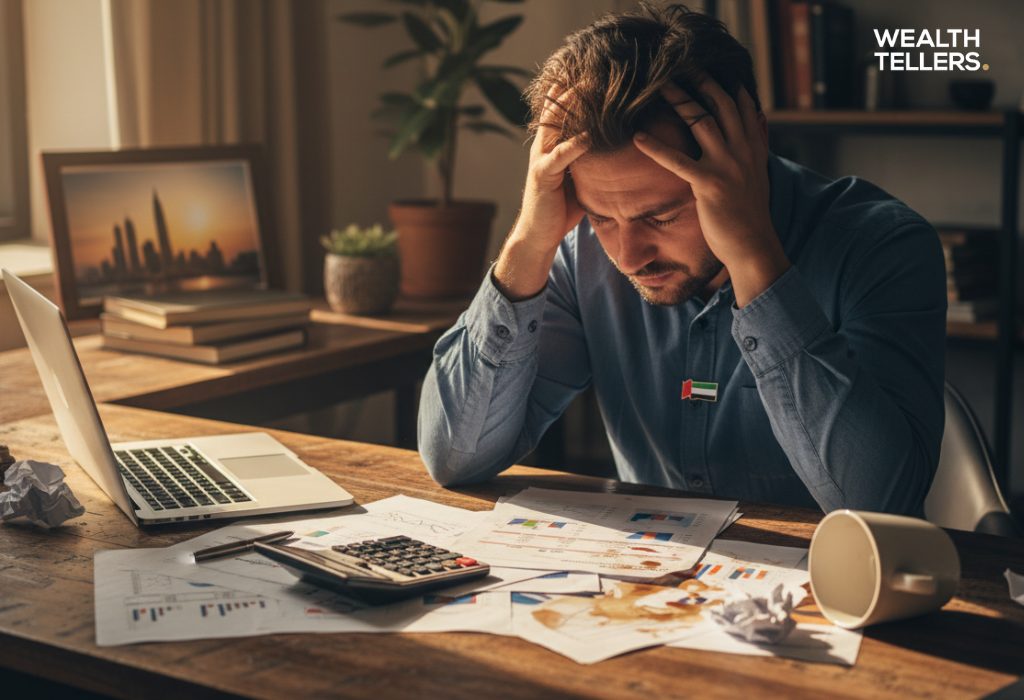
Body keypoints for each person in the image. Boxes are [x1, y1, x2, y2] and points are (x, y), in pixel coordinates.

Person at [417, 4, 946, 515]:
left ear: (749, 147)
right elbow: (454, 458)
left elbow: (879, 505)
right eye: (602, 216)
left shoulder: (881, 246)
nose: (628, 256)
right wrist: (529, 242)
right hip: (650, 592)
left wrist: (754, 259)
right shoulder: (578, 251)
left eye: (662, 216)